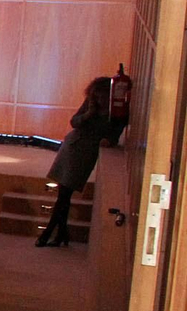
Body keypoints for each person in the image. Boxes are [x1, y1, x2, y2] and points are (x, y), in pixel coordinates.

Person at [37, 77, 126, 247]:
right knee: (63, 195)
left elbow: (115, 133)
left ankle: (52, 233)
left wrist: (110, 140)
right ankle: (57, 234)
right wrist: (88, 114)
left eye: (102, 96)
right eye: (96, 95)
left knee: (65, 195)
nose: (99, 99)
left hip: (86, 153)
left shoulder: (117, 111)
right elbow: (74, 122)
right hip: (72, 147)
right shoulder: (90, 104)